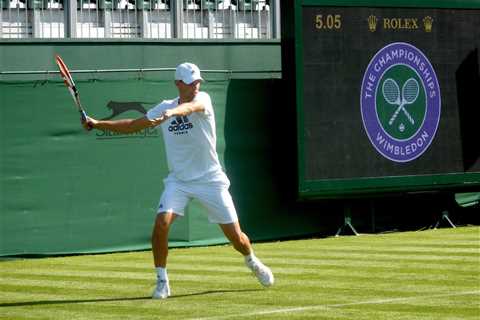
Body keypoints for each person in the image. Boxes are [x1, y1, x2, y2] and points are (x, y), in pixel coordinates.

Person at [83, 62, 274, 299]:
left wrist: (173, 112)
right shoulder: (163, 107)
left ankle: (252, 261)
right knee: (161, 225)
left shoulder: (202, 99)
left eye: (197, 81)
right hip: (179, 182)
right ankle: (162, 282)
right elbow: (133, 125)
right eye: (190, 82)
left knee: (237, 239)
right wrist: (98, 123)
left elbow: (191, 108)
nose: (195, 85)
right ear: (178, 83)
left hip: (210, 180)